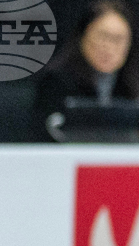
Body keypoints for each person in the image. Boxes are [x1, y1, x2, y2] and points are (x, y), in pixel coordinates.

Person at [34, 1, 139, 141]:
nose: (108, 47)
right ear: (83, 37)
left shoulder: (133, 86)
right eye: (102, 36)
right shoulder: (56, 83)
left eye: (118, 39)